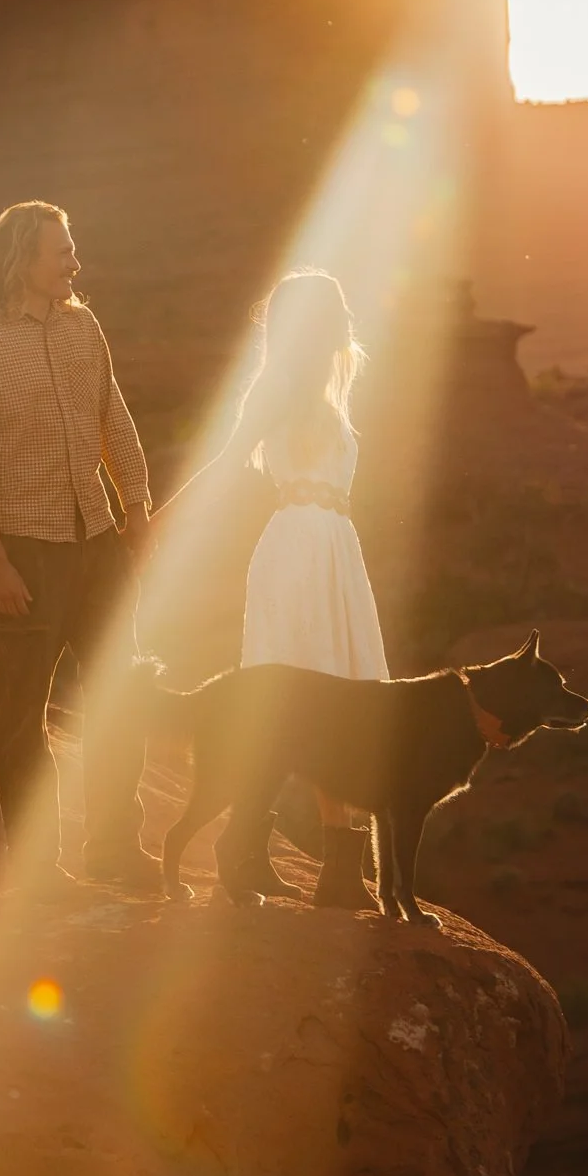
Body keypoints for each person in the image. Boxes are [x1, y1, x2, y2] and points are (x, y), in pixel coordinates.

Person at [0, 200, 156, 892]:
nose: (74, 263)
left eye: (72, 250)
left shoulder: (82, 328)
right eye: (60, 252)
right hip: (23, 554)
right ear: (19, 263)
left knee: (120, 697)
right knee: (24, 717)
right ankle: (41, 872)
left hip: (93, 540)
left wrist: (137, 505)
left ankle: (113, 848)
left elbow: (111, 418)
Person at [175, 266, 388, 907]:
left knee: (344, 700)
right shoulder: (275, 388)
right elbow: (226, 456)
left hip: (336, 552)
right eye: (335, 311)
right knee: (292, 701)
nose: (347, 320)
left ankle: (336, 870)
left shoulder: (330, 391)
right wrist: (164, 525)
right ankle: (247, 850)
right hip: (294, 550)